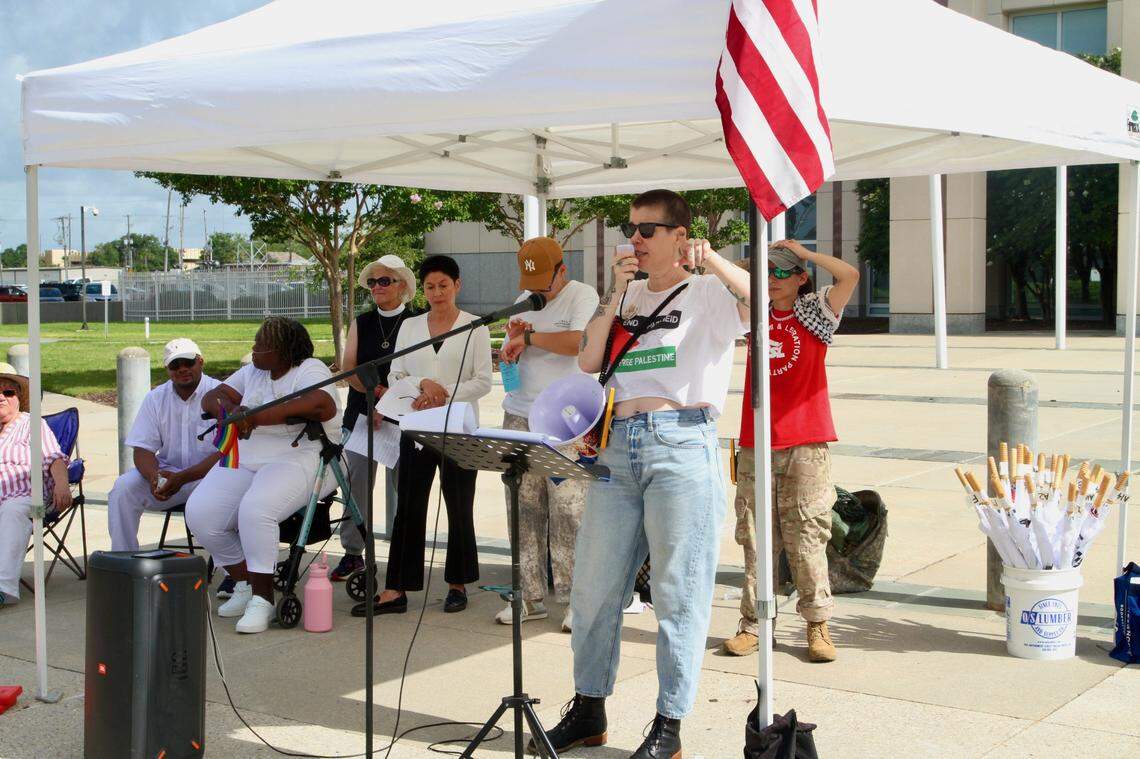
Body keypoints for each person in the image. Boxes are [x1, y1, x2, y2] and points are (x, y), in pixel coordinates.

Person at [541, 190, 750, 758]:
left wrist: (711, 260)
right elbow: (587, 360)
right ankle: (589, 710)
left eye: (648, 230)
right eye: (630, 228)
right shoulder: (627, 295)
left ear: (680, 236)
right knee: (594, 588)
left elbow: (766, 303)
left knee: (677, 592)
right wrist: (614, 294)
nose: (634, 238)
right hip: (617, 449)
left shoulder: (708, 291)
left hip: (680, 443)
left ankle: (669, 725)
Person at [722, 240, 859, 663]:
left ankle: (817, 624)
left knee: (806, 536)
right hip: (756, 441)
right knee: (755, 538)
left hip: (805, 442)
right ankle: (752, 624)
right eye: (767, 273)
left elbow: (849, 275)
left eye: (783, 272)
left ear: (801, 279)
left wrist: (805, 252)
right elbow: (722, 280)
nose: (773, 281)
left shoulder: (815, 313)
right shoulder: (751, 313)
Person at [354, 255, 491, 616]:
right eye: (430, 287)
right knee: (409, 507)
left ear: (457, 285)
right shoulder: (411, 326)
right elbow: (397, 373)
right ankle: (396, 588)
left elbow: (482, 381)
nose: (436, 293)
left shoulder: (474, 326)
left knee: (459, 506)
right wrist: (421, 386)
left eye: (443, 285)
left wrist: (442, 390)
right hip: (416, 427)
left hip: (458, 429)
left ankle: (457, 584)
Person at [189, 317, 340, 634]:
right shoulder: (252, 371)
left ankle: (264, 598)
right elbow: (212, 396)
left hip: (302, 456)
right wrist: (228, 409)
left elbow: (322, 405)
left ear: (282, 351)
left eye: (261, 345)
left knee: (256, 510)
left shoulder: (310, 369)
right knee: (201, 512)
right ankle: (245, 582)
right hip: (250, 456)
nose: (254, 349)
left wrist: (254, 416)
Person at [495, 237, 599, 630]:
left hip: (566, 420)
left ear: (563, 271)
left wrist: (531, 338)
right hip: (520, 414)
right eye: (531, 281)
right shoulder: (527, 297)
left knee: (569, 509)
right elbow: (514, 345)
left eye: (545, 282)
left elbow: (579, 342)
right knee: (523, 508)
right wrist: (511, 349)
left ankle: (575, 598)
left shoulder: (581, 296)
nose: (539, 290)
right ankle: (528, 596)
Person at [331, 255, 421, 581]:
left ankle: (403, 554)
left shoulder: (416, 322)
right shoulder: (362, 322)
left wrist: (389, 400)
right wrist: (373, 396)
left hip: (404, 415)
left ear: (403, 286)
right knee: (356, 485)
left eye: (385, 281)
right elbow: (349, 366)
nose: (377, 287)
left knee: (406, 488)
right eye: (373, 282)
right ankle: (353, 553)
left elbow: (420, 370)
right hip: (363, 413)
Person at [107, 339, 221, 552]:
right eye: (175, 365)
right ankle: (123, 558)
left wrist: (183, 478)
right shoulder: (155, 398)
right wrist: (153, 477)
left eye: (188, 362)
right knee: (122, 489)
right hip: (168, 478)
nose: (182, 369)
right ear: (167, 369)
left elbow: (227, 451)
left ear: (201, 362)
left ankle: (232, 574)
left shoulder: (220, 393)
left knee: (227, 501)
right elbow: (142, 448)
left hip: (210, 479)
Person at [0, 372, 71, 607]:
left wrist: (62, 485)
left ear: (19, 396)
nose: (2, 397)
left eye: (8, 392)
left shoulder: (32, 424)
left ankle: (3, 588)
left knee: (13, 510)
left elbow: (55, 458)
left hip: (35, 503)